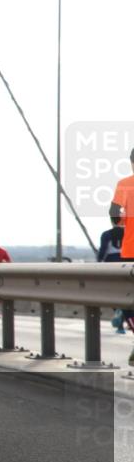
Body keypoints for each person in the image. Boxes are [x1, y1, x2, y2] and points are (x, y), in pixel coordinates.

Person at [109, 148, 134, 365]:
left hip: (131, 251)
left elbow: (114, 214)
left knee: (128, 300)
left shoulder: (125, 184)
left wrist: (122, 223)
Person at [96, 221, 128, 333]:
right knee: (126, 295)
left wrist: (99, 262)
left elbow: (103, 251)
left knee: (113, 295)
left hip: (111, 267)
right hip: (127, 267)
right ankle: (125, 323)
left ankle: (120, 323)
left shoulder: (107, 234)